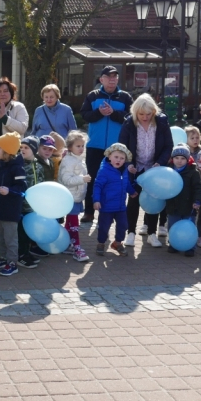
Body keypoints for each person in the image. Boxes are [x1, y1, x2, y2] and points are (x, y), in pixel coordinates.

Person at [80, 66, 133, 222]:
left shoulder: (125, 97)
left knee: (116, 181)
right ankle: (89, 212)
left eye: (115, 77)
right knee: (93, 178)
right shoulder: (92, 96)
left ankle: (115, 212)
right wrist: (99, 113)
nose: (112, 80)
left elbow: (131, 118)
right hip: (95, 146)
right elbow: (84, 115)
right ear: (101, 79)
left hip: (117, 148)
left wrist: (114, 114)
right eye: (109, 77)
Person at [118, 93, 171, 247]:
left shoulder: (161, 122)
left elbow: (168, 146)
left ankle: (152, 233)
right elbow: (122, 147)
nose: (145, 117)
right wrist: (128, 164)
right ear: (135, 112)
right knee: (133, 200)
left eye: (148, 114)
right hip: (136, 168)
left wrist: (160, 163)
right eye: (141, 114)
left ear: (154, 112)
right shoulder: (128, 123)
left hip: (154, 168)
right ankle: (131, 234)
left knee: (153, 200)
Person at [0, 131, 27, 276]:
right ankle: (3, 257)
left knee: (10, 238)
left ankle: (12, 262)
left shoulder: (17, 167)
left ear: (7, 151)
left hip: (10, 209)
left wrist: (9, 191)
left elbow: (22, 187)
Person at [92, 142, 136, 257]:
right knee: (104, 226)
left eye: (122, 158)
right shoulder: (104, 171)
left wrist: (132, 191)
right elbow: (97, 186)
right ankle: (101, 243)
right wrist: (96, 200)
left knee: (123, 225)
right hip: (106, 206)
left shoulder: (125, 170)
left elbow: (125, 183)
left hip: (121, 206)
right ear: (109, 157)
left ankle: (117, 243)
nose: (119, 160)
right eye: (116, 157)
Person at [162, 145, 201, 257]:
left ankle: (190, 246)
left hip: (189, 205)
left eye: (183, 158)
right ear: (172, 159)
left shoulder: (193, 172)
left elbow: (198, 188)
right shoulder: (168, 171)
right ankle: (173, 244)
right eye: (177, 158)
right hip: (173, 205)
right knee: (172, 225)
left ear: (188, 159)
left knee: (189, 226)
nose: (179, 161)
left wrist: (197, 201)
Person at [58, 130, 91, 263]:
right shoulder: (69, 161)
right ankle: (77, 247)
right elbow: (67, 180)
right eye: (78, 146)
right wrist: (82, 179)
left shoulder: (78, 159)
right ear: (70, 147)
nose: (81, 148)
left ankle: (66, 244)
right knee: (74, 224)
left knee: (70, 222)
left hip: (76, 197)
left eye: (83, 145)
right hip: (69, 198)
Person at [18, 136, 46, 268]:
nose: (23, 150)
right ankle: (21, 256)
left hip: (33, 207)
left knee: (28, 232)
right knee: (21, 233)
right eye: (21, 147)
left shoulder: (38, 166)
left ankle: (26, 252)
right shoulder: (18, 165)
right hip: (21, 206)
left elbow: (41, 183)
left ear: (34, 150)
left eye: (26, 148)